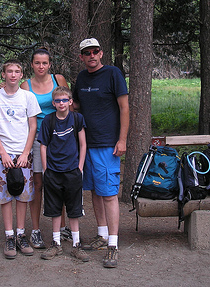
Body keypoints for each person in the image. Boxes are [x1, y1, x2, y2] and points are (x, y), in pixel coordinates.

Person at [72, 38, 129, 268]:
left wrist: (122, 140)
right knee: (95, 190)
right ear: (82, 57)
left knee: (109, 194)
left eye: (95, 51)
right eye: (87, 53)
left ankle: (113, 245)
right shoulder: (82, 78)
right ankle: (102, 234)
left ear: (102, 53)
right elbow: (75, 105)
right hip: (87, 144)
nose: (92, 56)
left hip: (108, 144)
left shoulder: (113, 74)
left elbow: (124, 107)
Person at [0, 59, 41, 259]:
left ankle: (21, 234)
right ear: (3, 74)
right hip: (3, 153)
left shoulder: (28, 97)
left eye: (17, 71)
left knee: (23, 193)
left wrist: (26, 152)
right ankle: (9, 236)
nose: (13, 75)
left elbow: (33, 126)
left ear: (21, 75)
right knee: (5, 194)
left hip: (23, 151)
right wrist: (3, 153)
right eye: (9, 71)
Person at [19, 48, 71, 248]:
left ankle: (64, 227)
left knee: (62, 183)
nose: (41, 66)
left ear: (50, 64)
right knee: (38, 184)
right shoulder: (26, 85)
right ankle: (36, 230)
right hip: (37, 139)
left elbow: (70, 106)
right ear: (31, 64)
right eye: (37, 63)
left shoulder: (58, 80)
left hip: (61, 138)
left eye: (45, 63)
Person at [37, 86, 90, 262]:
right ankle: (56, 243)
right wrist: (46, 169)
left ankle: (76, 245)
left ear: (70, 102)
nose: (61, 103)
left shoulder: (77, 119)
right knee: (54, 208)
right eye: (58, 100)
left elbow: (83, 144)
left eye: (64, 100)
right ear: (53, 103)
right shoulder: (48, 121)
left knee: (74, 209)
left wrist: (80, 167)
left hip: (72, 171)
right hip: (53, 171)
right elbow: (43, 145)